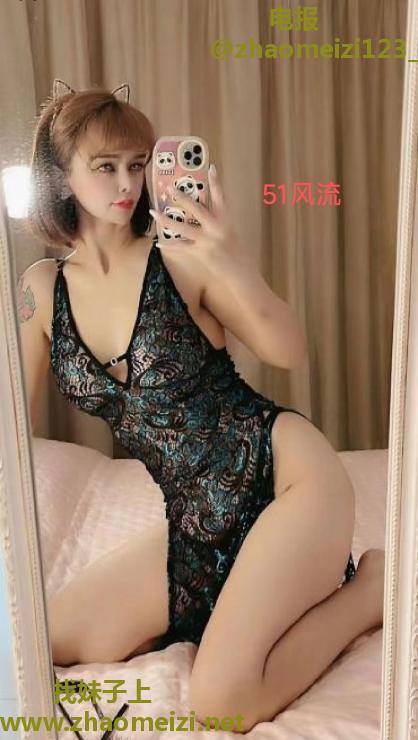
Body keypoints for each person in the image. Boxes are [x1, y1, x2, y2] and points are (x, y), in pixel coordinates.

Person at [19, 81, 384, 732]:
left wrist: (227, 253)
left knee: (222, 700)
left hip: (284, 477)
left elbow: (289, 350)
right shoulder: (42, 290)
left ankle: (373, 591)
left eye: (138, 163)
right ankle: (249, 590)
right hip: (194, 519)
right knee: (40, 640)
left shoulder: (180, 257)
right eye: (105, 166)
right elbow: (11, 421)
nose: (126, 182)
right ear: (61, 177)